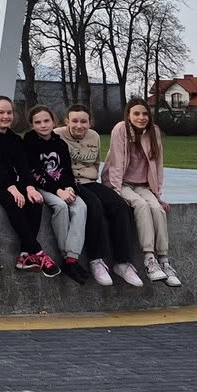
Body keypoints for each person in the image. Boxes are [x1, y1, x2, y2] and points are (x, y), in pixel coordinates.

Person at [61, 105, 141, 287]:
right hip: (70, 182)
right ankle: (96, 260)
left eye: (84, 121)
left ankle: (123, 262)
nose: (79, 125)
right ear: (67, 121)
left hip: (89, 181)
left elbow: (95, 163)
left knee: (120, 205)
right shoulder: (58, 135)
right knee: (94, 206)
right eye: (74, 121)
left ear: (90, 123)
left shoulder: (94, 136)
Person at [106, 99, 182, 287]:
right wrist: (116, 192)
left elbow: (158, 166)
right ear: (128, 115)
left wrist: (157, 195)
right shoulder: (120, 129)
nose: (141, 117)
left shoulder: (153, 132)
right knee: (140, 205)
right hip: (120, 183)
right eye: (136, 114)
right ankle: (149, 260)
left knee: (157, 209)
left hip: (142, 185)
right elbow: (116, 163)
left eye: (145, 114)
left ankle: (164, 260)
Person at [0, 95, 49, 274]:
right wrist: (13, 188)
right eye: (1, 112)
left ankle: (25, 255)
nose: (6, 116)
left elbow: (23, 167)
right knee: (14, 201)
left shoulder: (15, 139)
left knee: (35, 200)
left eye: (9, 112)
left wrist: (29, 187)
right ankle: (37, 251)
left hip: (8, 182)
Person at [21, 104, 87, 280]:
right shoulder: (29, 142)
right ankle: (66, 256)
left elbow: (67, 172)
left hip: (61, 188)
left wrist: (69, 188)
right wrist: (59, 192)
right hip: (42, 187)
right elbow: (35, 173)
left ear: (53, 122)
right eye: (38, 122)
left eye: (46, 121)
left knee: (80, 206)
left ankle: (71, 259)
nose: (43, 125)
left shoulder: (60, 143)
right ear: (32, 125)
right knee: (61, 206)